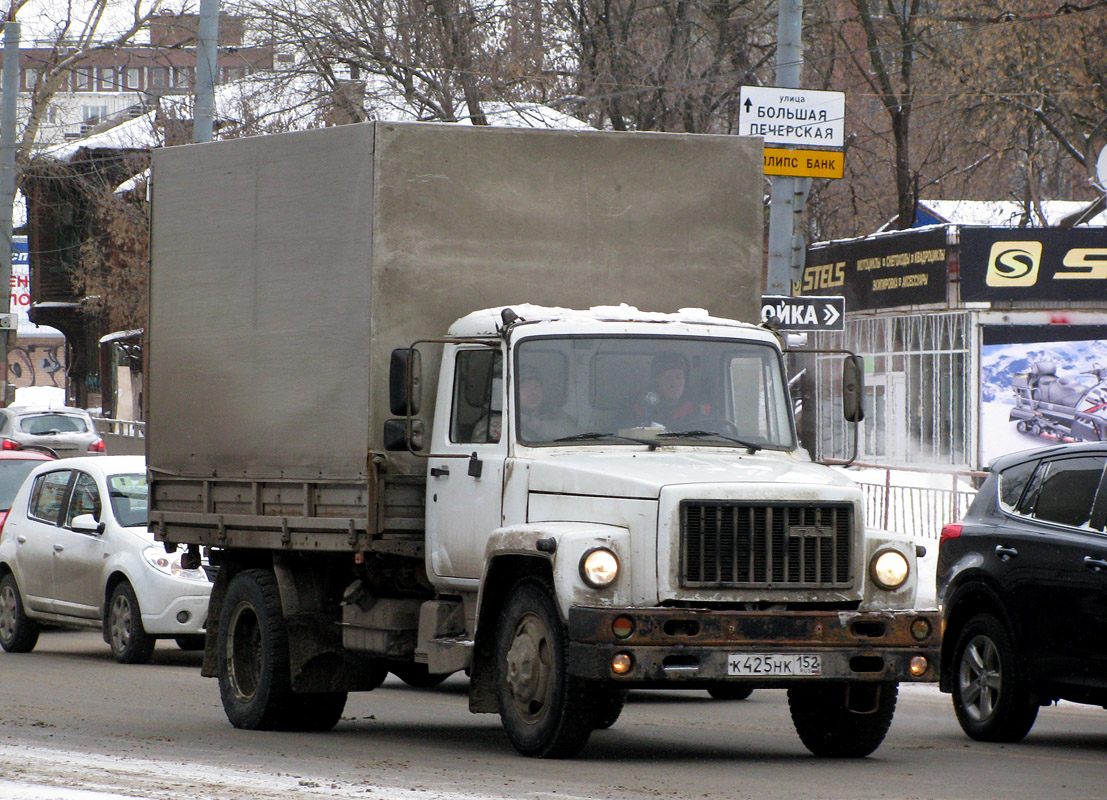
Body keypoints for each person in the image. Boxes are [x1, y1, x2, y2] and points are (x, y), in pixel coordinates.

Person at [472, 366, 575, 443]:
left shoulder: (558, 416)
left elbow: (573, 438)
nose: (532, 392)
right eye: (525, 387)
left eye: (536, 386)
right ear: (513, 392)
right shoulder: (497, 422)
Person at [628, 352, 710, 429]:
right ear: (656, 381)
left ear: (685, 380)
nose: (674, 384)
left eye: (678, 377)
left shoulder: (699, 407)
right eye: (668, 378)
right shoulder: (638, 406)